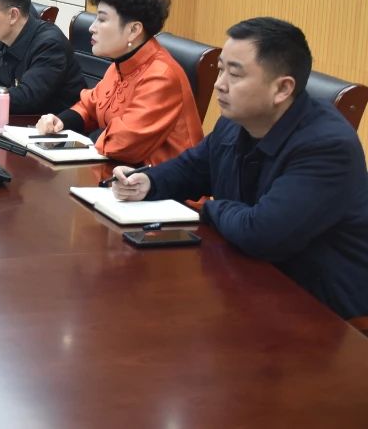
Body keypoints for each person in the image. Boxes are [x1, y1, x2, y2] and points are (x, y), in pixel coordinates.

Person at [110, 17, 368, 320]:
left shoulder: (327, 146)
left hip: (321, 313)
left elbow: (263, 234)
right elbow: (193, 168)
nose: (219, 84)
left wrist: (211, 208)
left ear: (282, 89)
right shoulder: (235, 122)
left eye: (234, 74)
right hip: (248, 282)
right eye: (220, 69)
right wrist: (148, 181)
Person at [35, 0, 202, 165]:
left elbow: (124, 143)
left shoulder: (162, 76)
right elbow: (90, 106)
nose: (92, 28)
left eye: (102, 20)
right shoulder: (120, 64)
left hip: (161, 180)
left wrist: (83, 141)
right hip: (120, 171)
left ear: (134, 30)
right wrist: (61, 121)